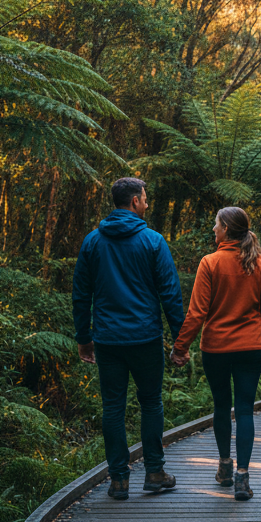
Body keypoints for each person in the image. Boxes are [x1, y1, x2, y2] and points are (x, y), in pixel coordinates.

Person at [73, 177, 184, 501]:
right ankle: (154, 472)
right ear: (134, 201)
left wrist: (84, 338)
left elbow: (81, 294)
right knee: (151, 403)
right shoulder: (153, 241)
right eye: (145, 199)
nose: (147, 204)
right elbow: (170, 294)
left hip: (107, 339)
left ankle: (119, 479)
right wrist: (180, 340)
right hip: (146, 337)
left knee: (113, 408)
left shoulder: (93, 242)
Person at [170, 207, 261, 501]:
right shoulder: (260, 264)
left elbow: (196, 312)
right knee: (244, 410)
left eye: (215, 225)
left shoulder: (211, 263)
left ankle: (225, 467)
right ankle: (243, 477)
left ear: (227, 229)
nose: (213, 230)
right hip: (252, 348)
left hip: (216, 348)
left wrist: (180, 348)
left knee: (221, 407)